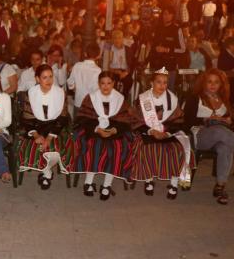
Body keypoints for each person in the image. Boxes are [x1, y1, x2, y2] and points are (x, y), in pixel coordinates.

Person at [130, 67, 193, 199]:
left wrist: (166, 133)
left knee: (177, 149)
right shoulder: (142, 99)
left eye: (165, 82)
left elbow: (178, 121)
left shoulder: (173, 100)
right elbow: (135, 120)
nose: (162, 85)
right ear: (151, 83)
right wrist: (151, 130)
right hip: (147, 133)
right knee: (148, 149)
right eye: (159, 82)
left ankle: (174, 184)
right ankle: (149, 180)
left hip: (168, 134)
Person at [73, 72, 135, 200]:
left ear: (114, 84)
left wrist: (114, 130)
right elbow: (83, 118)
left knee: (117, 148)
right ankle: (88, 182)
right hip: (94, 129)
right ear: (98, 84)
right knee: (93, 145)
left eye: (109, 83)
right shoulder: (91, 98)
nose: (105, 86)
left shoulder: (120, 99)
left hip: (114, 130)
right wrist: (97, 129)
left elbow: (126, 120)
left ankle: (107, 185)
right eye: (102, 83)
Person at [17, 64, 72, 189]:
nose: (49, 81)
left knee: (55, 149)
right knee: (34, 147)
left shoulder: (60, 93)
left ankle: (46, 172)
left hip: (56, 126)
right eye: (44, 77)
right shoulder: (31, 93)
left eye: (51, 77)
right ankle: (47, 172)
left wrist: (49, 138)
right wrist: (36, 135)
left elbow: (63, 117)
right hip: (35, 125)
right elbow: (27, 117)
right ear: (37, 79)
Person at [184, 68, 234, 205]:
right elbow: (186, 121)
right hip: (199, 136)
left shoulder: (224, 99)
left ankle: (220, 185)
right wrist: (206, 119)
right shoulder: (195, 98)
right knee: (219, 130)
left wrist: (228, 120)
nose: (213, 85)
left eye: (216, 82)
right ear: (204, 83)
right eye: (209, 82)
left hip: (221, 136)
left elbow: (230, 124)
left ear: (221, 84)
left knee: (225, 147)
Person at [67, 43, 102, 116]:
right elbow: (97, 89)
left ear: (85, 54)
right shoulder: (98, 70)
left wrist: (73, 88)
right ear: (98, 56)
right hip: (90, 103)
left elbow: (70, 82)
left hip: (78, 100)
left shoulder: (77, 65)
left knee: (76, 124)